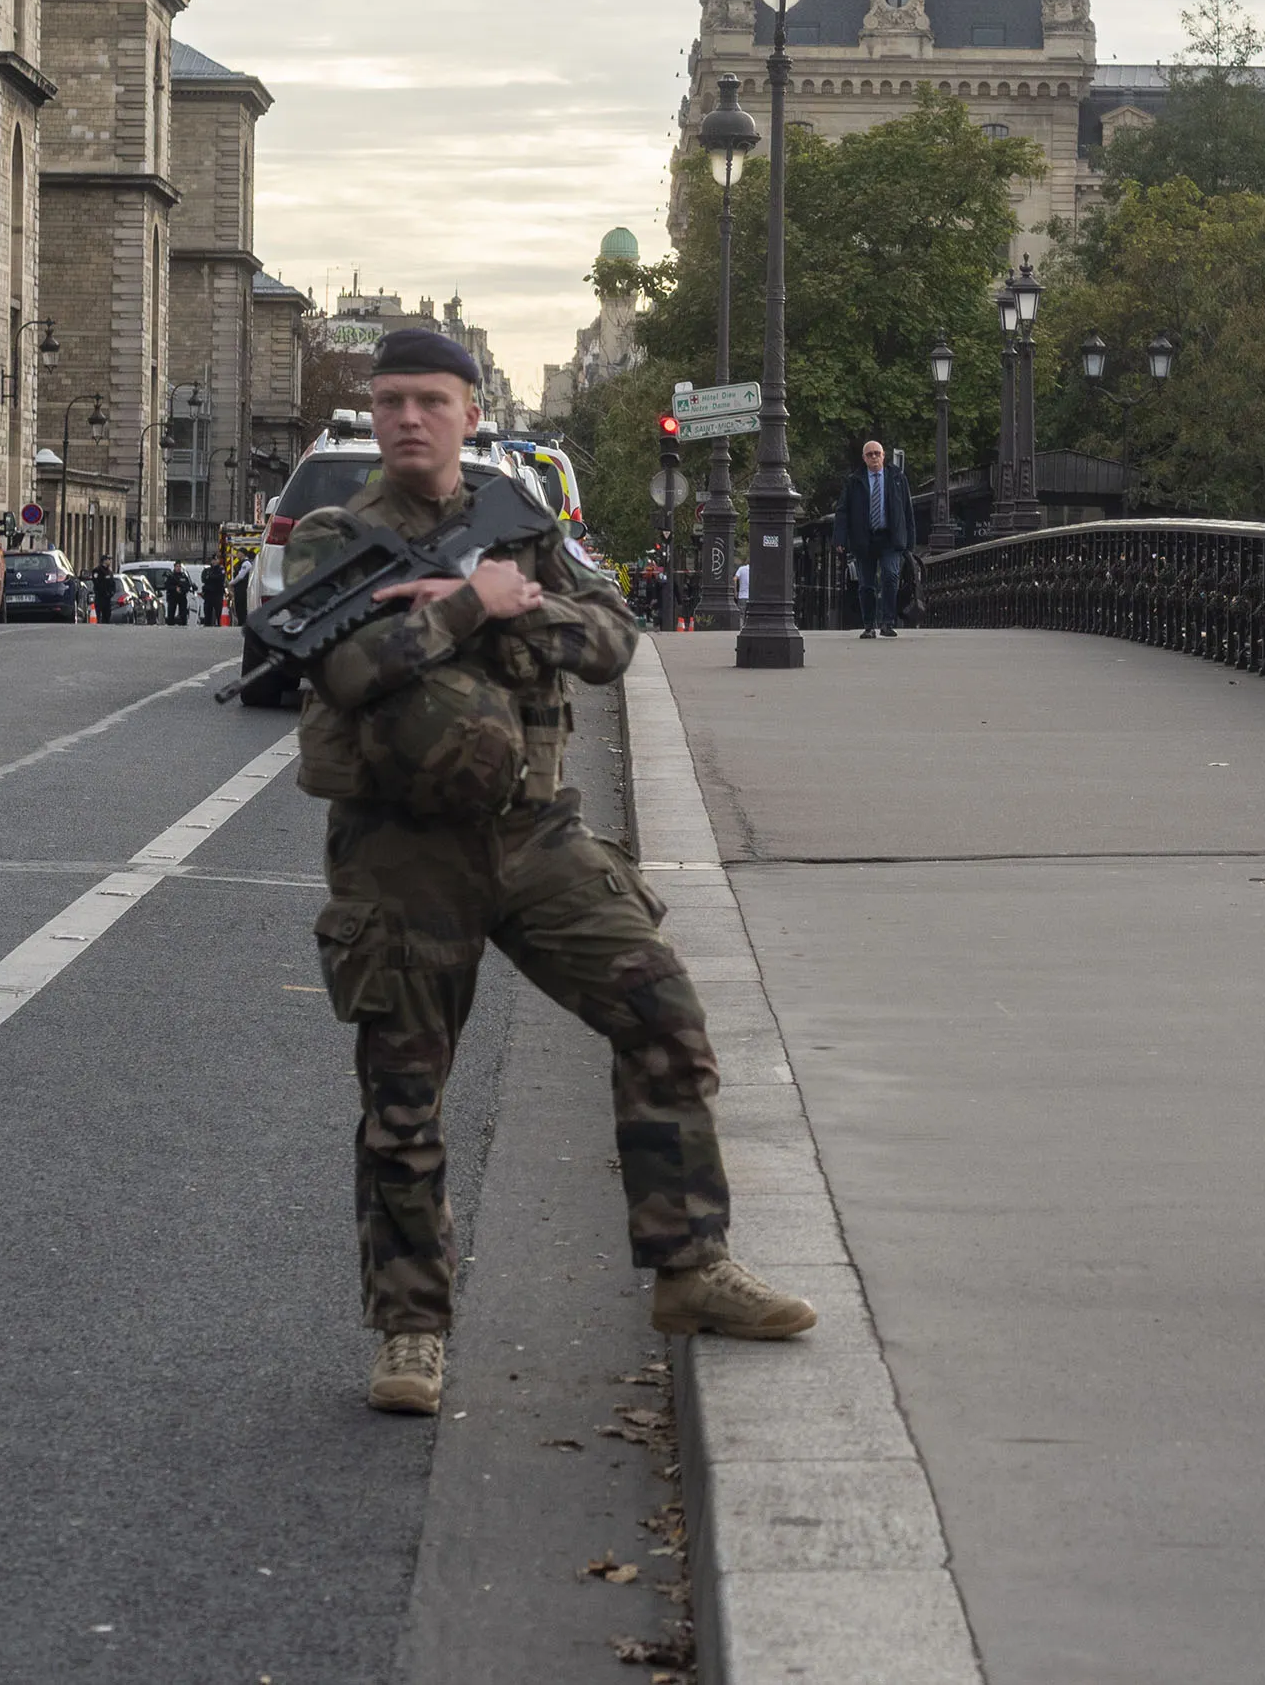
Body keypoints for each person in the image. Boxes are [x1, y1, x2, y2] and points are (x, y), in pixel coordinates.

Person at [290, 326, 817, 1416]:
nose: (406, 420)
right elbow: (339, 664)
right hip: (401, 857)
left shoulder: (521, 522)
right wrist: (468, 608)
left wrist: (509, 609)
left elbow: (615, 635)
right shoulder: (338, 532)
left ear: (470, 413)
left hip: (535, 836)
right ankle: (410, 1333)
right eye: (389, 401)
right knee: (404, 1103)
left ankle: (691, 1270)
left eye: (430, 400)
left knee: (663, 1016)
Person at [832, 434, 911, 640]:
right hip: (864, 539)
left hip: (890, 538)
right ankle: (868, 625)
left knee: (890, 576)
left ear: (884, 456)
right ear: (864, 458)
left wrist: (909, 541)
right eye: (870, 455)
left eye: (877, 454)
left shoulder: (897, 478)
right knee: (866, 584)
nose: (874, 457)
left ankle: (887, 622)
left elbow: (907, 510)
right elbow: (843, 511)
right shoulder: (854, 481)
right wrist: (840, 538)